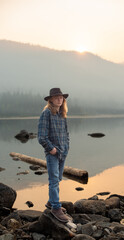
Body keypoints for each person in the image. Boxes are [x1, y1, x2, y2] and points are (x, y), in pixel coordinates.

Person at [38, 88, 69, 223]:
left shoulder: (62, 114)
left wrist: (66, 146)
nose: (59, 99)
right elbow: (41, 137)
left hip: (63, 152)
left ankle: (51, 202)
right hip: (53, 154)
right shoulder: (46, 114)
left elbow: (66, 134)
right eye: (56, 97)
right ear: (50, 99)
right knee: (54, 180)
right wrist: (52, 149)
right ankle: (56, 208)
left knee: (58, 178)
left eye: (61, 97)